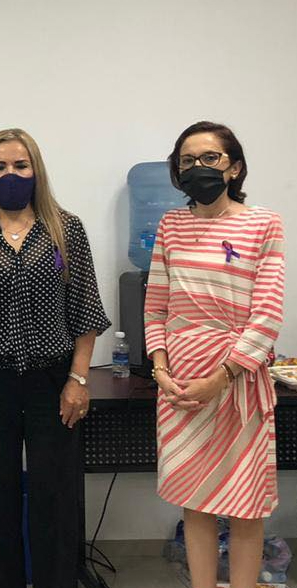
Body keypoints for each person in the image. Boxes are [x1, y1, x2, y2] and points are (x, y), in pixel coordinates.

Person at [0, 128, 110, 588]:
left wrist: (78, 380)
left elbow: (85, 310)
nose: (10, 174)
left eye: (20, 165)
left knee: (55, 496)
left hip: (52, 382)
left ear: (36, 170)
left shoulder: (65, 229)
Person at [146, 121, 285, 588]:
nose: (197, 168)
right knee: (196, 500)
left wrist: (222, 376)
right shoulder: (171, 225)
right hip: (181, 383)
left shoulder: (263, 223)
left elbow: (267, 313)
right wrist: (161, 369)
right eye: (187, 161)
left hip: (239, 378)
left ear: (235, 167)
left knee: (246, 504)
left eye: (210, 158)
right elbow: (156, 306)